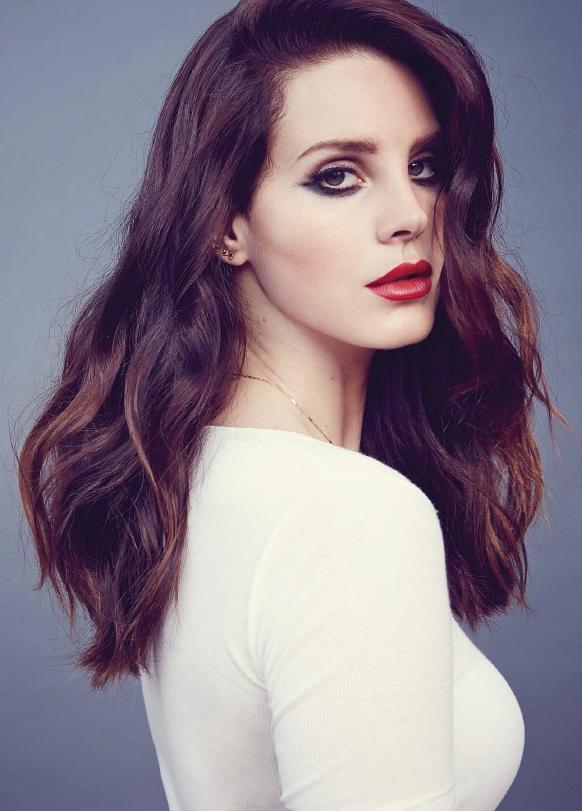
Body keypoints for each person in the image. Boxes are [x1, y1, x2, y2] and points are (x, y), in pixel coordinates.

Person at [16, 0, 570, 808]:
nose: (411, 215)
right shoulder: (349, 513)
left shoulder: (196, 475)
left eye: (423, 166)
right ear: (226, 223)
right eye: (337, 176)